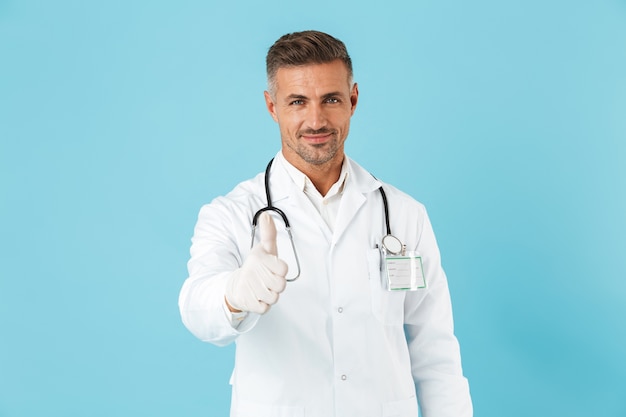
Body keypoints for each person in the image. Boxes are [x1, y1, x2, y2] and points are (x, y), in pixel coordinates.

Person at [179, 30, 473, 417]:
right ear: (272, 107)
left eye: (330, 99)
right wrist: (234, 293)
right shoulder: (232, 213)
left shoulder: (403, 214)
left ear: (352, 100)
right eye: (297, 102)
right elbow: (197, 310)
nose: (315, 120)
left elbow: (436, 351)